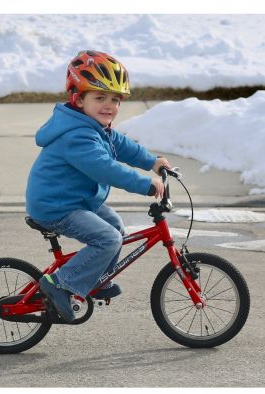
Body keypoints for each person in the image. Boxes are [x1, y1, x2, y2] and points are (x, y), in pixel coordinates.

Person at [26, 50, 171, 322]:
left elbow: (122, 146)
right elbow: (106, 167)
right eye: (100, 97)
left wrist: (153, 162)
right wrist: (145, 185)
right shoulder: (78, 136)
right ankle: (59, 284)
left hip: (76, 200)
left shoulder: (95, 126)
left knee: (115, 228)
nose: (109, 105)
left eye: (115, 99)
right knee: (108, 239)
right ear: (79, 99)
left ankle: (96, 279)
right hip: (56, 206)